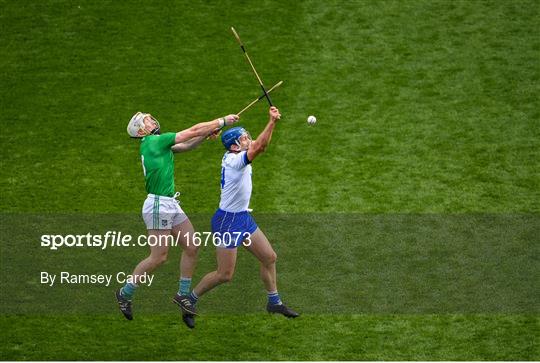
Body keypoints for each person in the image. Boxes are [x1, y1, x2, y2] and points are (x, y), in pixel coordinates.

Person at [116, 111, 239, 322]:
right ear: (141, 130)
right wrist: (221, 121)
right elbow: (189, 132)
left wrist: (208, 133)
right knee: (159, 257)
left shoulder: (159, 144)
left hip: (170, 203)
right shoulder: (154, 141)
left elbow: (187, 145)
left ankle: (182, 295)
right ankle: (124, 293)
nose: (152, 119)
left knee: (192, 246)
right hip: (157, 204)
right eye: (147, 120)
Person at [185, 106, 299, 329]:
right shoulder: (235, 161)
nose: (250, 139)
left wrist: (269, 125)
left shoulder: (237, 155)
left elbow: (258, 145)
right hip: (227, 222)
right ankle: (189, 300)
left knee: (269, 257)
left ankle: (274, 302)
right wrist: (272, 121)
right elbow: (261, 146)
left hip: (242, 218)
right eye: (245, 138)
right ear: (235, 146)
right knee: (224, 274)